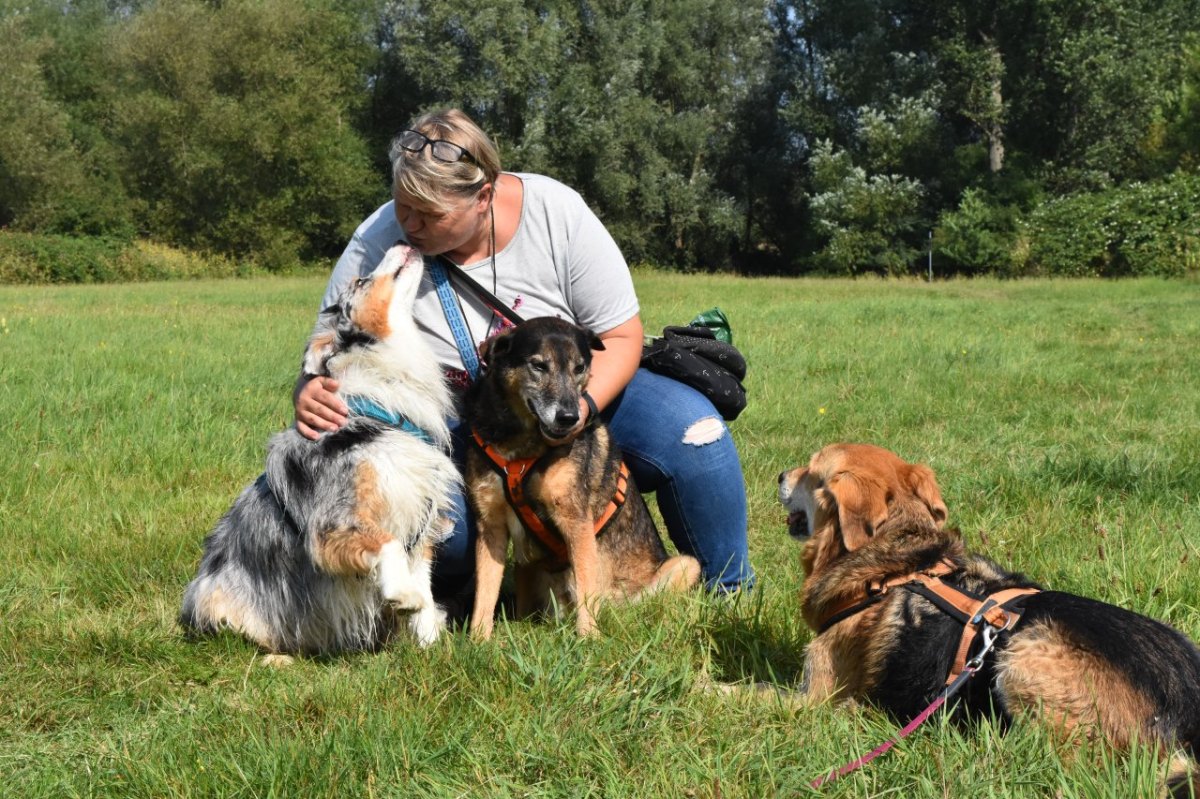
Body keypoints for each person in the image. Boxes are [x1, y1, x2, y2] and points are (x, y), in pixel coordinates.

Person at [294, 108, 754, 602]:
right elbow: (331, 342)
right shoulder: (377, 236)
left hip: (571, 391)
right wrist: (308, 390)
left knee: (693, 432)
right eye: (402, 205)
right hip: (457, 424)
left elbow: (622, 338)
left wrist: (581, 409)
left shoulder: (557, 213)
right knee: (447, 533)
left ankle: (729, 596)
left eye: (430, 214)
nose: (409, 225)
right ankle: (458, 599)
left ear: (483, 197)